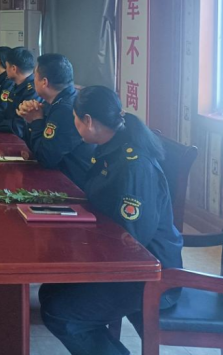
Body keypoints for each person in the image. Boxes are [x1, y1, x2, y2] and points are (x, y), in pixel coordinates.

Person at [39, 86, 183, 355]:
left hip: (150, 273)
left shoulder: (133, 165)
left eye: (75, 119)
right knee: (51, 291)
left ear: (89, 121)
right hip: (125, 261)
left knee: (61, 312)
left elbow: (133, 239)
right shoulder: (111, 147)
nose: (74, 125)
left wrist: (82, 253)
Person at [15, 54, 95, 188]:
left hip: (72, 186)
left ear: (44, 82)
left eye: (35, 76)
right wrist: (29, 118)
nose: (33, 81)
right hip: (61, 179)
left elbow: (46, 159)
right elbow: (38, 149)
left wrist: (36, 121)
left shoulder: (65, 110)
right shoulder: (58, 101)